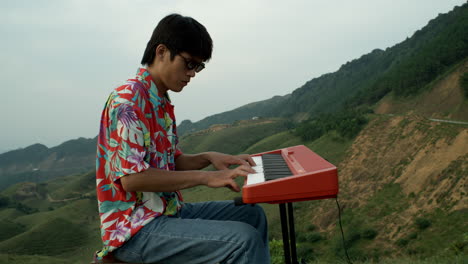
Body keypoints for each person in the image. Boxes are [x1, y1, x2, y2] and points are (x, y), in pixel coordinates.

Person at [95, 14, 270, 264]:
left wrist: (209, 158)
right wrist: (208, 178)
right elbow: (132, 179)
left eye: (198, 67)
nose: (192, 73)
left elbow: (170, 163)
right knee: (243, 240)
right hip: (134, 228)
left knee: (252, 214)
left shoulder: (161, 101)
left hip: (166, 212)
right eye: (189, 63)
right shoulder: (128, 102)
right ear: (162, 51)